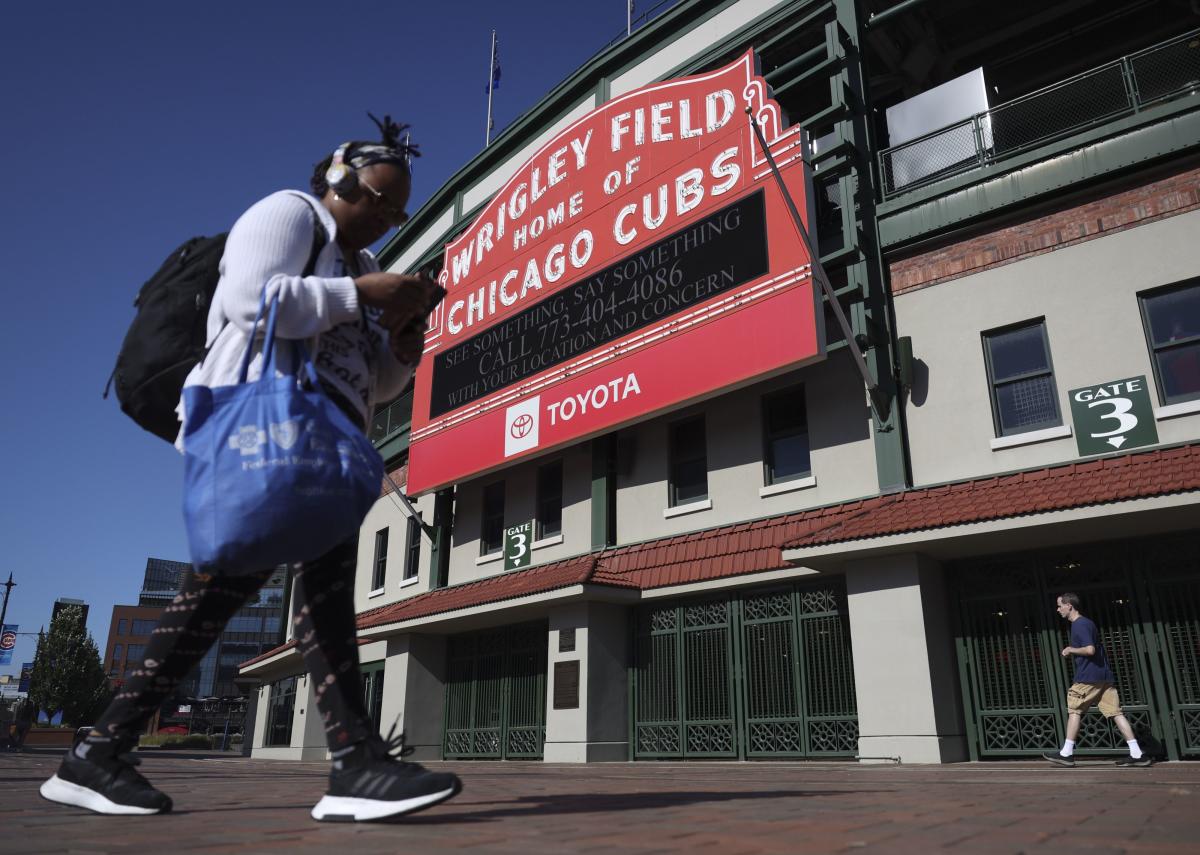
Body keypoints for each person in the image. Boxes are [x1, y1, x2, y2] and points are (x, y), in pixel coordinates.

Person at [40, 115, 461, 820]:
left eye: (397, 212)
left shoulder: (358, 270)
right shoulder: (286, 213)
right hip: (265, 432)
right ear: (336, 180)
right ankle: (350, 763)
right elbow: (249, 302)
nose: (384, 219)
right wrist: (362, 296)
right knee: (244, 593)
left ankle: (104, 753)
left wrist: (402, 338)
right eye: (376, 199)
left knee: (284, 595)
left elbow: (375, 385)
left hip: (323, 445)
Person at [1043, 592, 1151, 767]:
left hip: (1088, 677)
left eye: (1059, 605)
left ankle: (1066, 753)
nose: (1058, 609)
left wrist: (1070, 649)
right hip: (1103, 676)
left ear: (1069, 605)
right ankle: (1137, 753)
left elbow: (1090, 650)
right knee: (1116, 713)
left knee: (1074, 710)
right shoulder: (1087, 623)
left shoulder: (1079, 624)